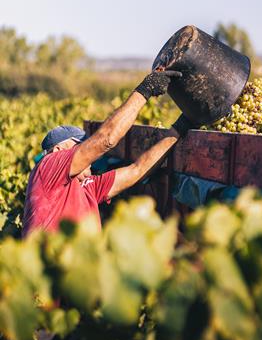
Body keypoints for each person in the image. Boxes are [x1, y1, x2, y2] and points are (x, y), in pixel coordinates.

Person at [22, 70, 196, 236]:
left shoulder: (88, 186)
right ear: (58, 151)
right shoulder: (47, 167)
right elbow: (106, 139)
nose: (87, 153)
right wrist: (146, 89)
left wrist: (181, 126)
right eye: (79, 145)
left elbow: (137, 170)